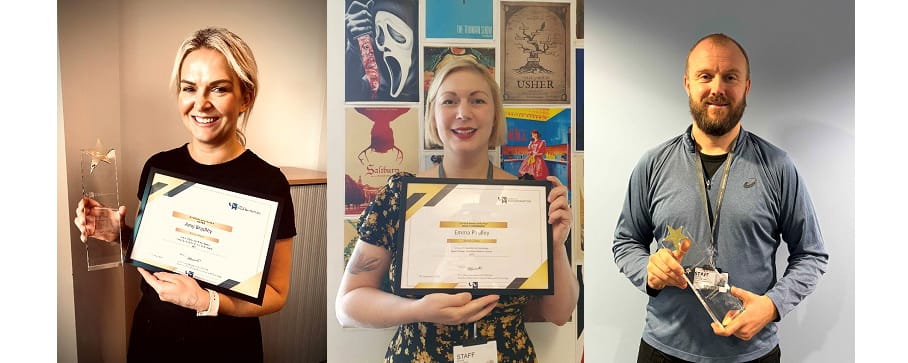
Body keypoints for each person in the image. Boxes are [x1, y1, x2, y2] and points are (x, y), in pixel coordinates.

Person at [73, 27, 296, 363]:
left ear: (245, 97)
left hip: (227, 348)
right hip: (153, 340)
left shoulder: (269, 182)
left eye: (219, 88)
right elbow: (160, 253)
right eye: (189, 88)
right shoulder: (159, 167)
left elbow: (277, 293)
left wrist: (206, 301)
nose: (200, 103)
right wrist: (121, 235)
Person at [335, 57, 579, 362]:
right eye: (449, 101)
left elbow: (559, 314)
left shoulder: (529, 199)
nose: (463, 112)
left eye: (478, 100)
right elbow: (347, 305)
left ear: (495, 115)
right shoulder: (399, 197)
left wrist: (555, 246)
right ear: (433, 115)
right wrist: (417, 309)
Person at [612, 33, 828, 362]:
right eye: (705, 76)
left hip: (752, 354)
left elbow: (812, 254)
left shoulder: (778, 167)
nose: (717, 88)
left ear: (746, 86)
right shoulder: (653, 164)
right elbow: (625, 241)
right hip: (664, 351)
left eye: (730, 77)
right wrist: (648, 271)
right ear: (687, 83)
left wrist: (772, 306)